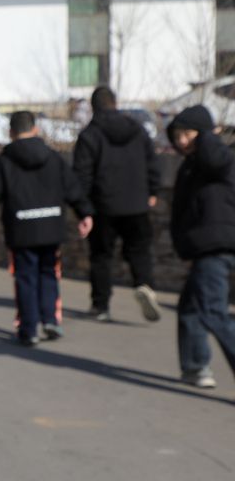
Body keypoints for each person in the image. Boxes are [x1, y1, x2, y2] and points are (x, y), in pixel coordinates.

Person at [0, 111, 94, 346]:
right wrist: (84, 213)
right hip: (51, 224)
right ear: (35, 129)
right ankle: (50, 320)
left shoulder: (4, 161)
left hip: (21, 228)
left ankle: (29, 329)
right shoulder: (53, 157)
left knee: (25, 277)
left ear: (11, 133)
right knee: (49, 273)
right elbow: (72, 187)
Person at [72, 86, 161, 322]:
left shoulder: (90, 135)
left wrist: (82, 209)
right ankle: (144, 285)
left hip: (103, 206)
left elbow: (82, 175)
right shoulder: (137, 129)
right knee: (139, 250)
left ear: (93, 107)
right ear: (115, 103)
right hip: (137, 203)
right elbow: (152, 162)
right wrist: (153, 190)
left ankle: (100, 305)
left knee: (101, 256)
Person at [165, 105, 235, 390]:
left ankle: (197, 366)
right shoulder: (192, 166)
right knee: (190, 307)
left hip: (215, 246)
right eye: (177, 135)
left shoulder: (217, 158)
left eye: (188, 134)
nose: (182, 141)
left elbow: (215, 158)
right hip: (204, 246)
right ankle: (195, 366)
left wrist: (207, 135)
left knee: (214, 312)